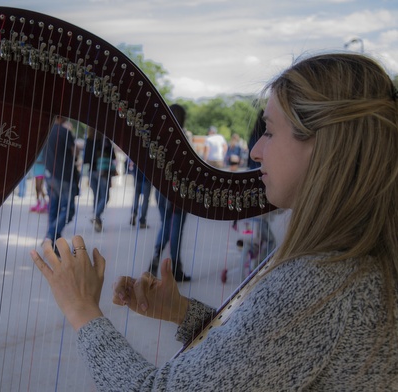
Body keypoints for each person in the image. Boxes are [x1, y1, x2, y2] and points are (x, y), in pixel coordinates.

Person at [30, 53, 398, 390]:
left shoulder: (320, 280)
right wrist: (183, 313)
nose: (255, 151)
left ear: (325, 145)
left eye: (269, 131)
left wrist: (80, 308)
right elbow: (274, 355)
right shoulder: (355, 261)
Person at [150, 104, 191, 282]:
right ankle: (176, 268)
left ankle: (156, 258)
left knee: (165, 224)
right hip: (177, 191)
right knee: (176, 229)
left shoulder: (159, 136)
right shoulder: (183, 137)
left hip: (161, 190)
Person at [43, 115, 80, 245]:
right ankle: (50, 235)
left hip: (50, 175)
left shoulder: (47, 130)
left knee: (54, 208)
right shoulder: (65, 132)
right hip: (64, 176)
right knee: (68, 211)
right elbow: (74, 151)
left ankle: (53, 242)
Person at [83, 127, 116, 232]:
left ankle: (98, 222)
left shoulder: (88, 140)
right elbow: (113, 156)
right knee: (105, 196)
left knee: (96, 196)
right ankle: (96, 215)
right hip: (102, 172)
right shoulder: (105, 140)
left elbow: (85, 159)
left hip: (91, 172)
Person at [129, 163, 152, 229]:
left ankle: (134, 213)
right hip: (147, 178)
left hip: (137, 176)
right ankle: (142, 221)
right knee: (145, 199)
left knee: (136, 196)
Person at [30, 147, 48, 212]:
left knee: (39, 186)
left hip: (41, 168)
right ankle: (38, 202)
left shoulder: (44, 147)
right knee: (36, 187)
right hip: (36, 168)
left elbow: (45, 159)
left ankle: (45, 202)